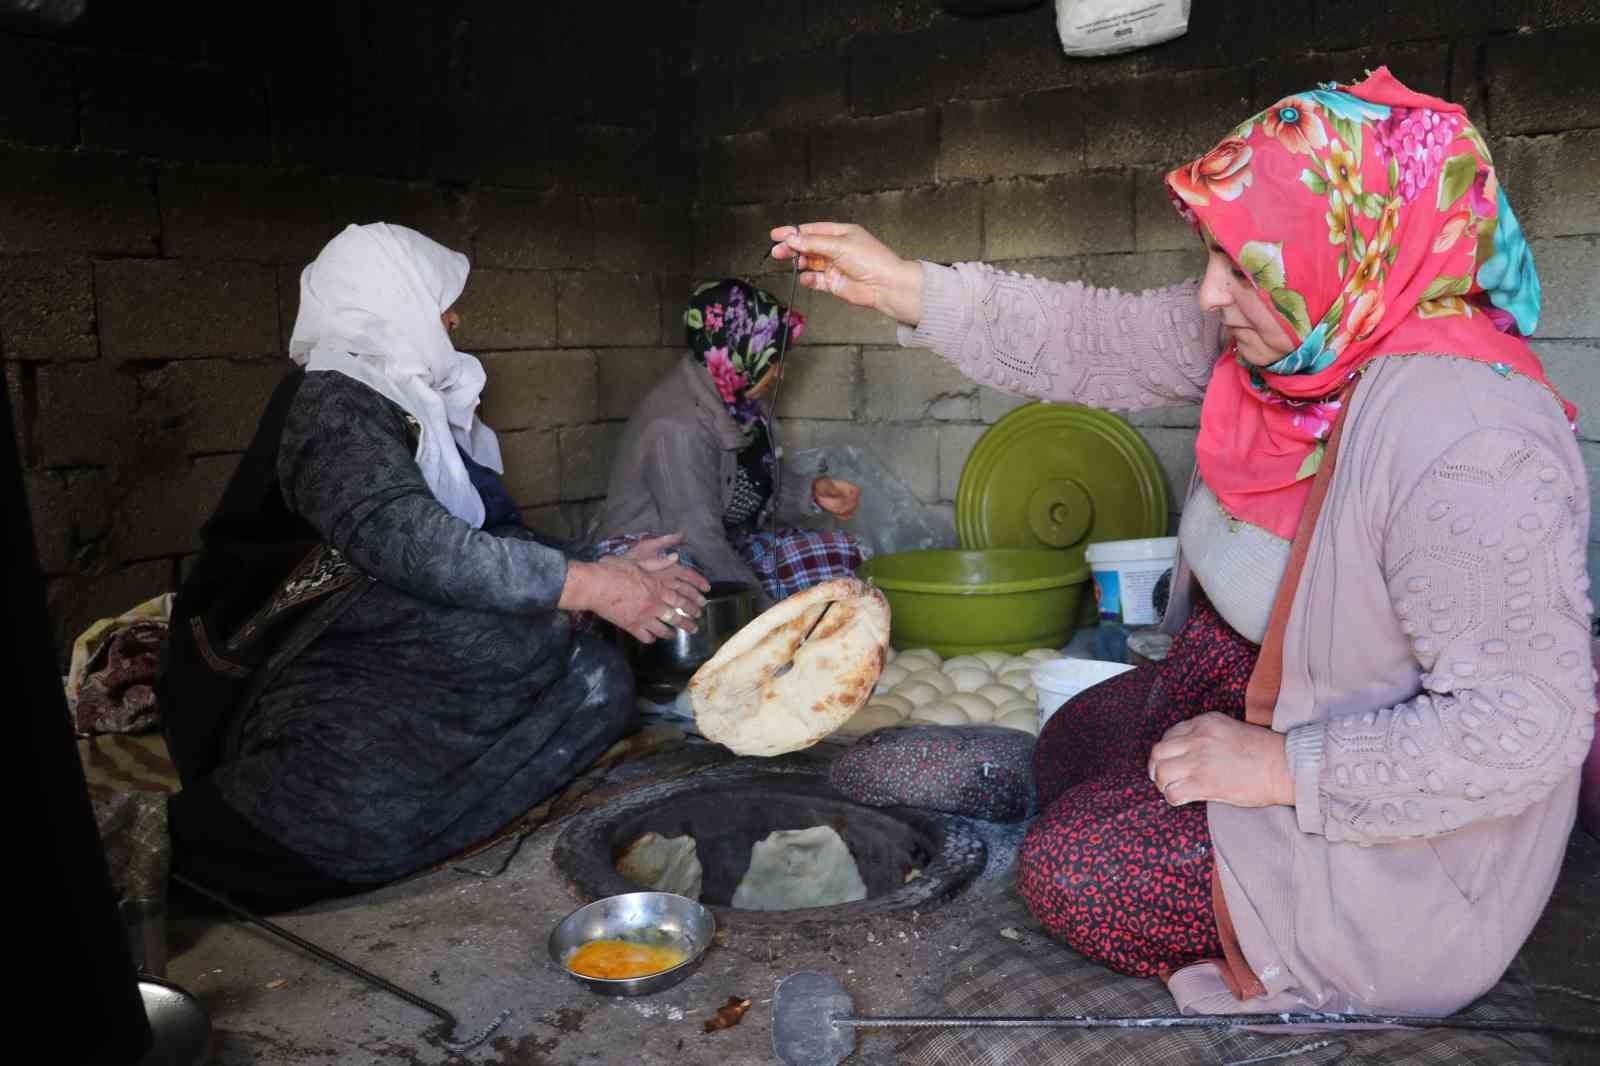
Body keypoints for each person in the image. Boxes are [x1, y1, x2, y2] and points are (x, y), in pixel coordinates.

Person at [770, 68, 1595, 1017]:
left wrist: (1281, 768)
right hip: (1241, 691)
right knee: (1074, 736)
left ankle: (1198, 866)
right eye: (1214, 255)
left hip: (1379, 829)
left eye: (1241, 267)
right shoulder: (1305, 337)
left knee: (1077, 873)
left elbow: (1530, 727)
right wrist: (909, 288)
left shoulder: (1468, 437)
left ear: (1348, 252)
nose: (1209, 294)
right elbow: (1101, 336)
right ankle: (1132, 792)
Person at [159, 223, 710, 911]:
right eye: (440, 299)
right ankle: (276, 838)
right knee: (523, 635)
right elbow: (416, 545)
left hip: (381, 633)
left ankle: (433, 810)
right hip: (284, 669)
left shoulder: (416, 404)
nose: (454, 318)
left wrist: (601, 563)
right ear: (392, 300)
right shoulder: (333, 403)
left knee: (596, 678)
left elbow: (487, 534)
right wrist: (594, 585)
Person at [594, 278, 868, 608]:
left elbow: (753, 486)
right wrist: (766, 616)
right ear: (739, 350)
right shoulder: (678, 427)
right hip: (655, 555)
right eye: (774, 359)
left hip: (722, 540)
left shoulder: (741, 403)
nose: (779, 373)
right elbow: (698, 541)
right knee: (685, 584)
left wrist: (812, 491)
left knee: (840, 555)